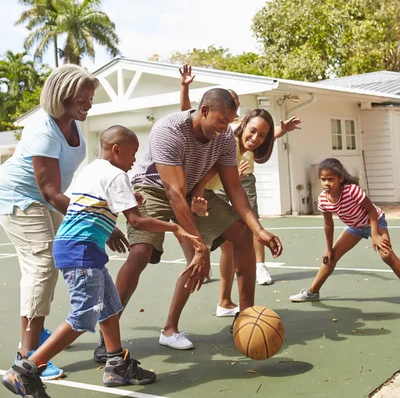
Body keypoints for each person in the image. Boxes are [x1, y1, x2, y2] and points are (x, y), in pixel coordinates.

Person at [2, 125, 200, 398]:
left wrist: (132, 198)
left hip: (77, 247)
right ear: (116, 149)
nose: (134, 161)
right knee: (83, 315)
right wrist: (175, 227)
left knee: (109, 306)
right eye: (132, 154)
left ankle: (116, 364)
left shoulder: (92, 170)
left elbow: (93, 202)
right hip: (81, 249)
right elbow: (137, 221)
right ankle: (26, 368)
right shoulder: (117, 174)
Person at [93, 87, 283, 360]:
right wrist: (199, 246)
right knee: (140, 253)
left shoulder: (226, 137)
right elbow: (173, 192)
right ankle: (107, 335)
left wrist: (259, 230)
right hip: (153, 188)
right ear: (204, 110)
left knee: (241, 234)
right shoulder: (168, 129)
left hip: (191, 190)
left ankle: (245, 317)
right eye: (221, 120)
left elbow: (234, 188)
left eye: (229, 122)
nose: (225, 128)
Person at [0, 64, 113, 380]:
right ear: (62, 95)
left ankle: (34, 330)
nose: (89, 104)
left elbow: (60, 187)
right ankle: (28, 356)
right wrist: (100, 217)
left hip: (44, 196)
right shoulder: (42, 129)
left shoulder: (73, 125)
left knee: (51, 261)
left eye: (90, 98)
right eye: (83, 98)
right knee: (41, 265)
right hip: (18, 198)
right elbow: (51, 192)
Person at [178, 65, 300, 315]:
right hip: (196, 194)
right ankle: (181, 318)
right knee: (216, 249)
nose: (255, 137)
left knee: (232, 245)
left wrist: (282, 130)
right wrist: (185, 87)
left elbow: (263, 134)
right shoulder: (225, 140)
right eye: (252, 130)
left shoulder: (244, 143)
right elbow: (187, 116)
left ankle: (225, 301)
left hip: (213, 191)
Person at [289, 158, 400, 302]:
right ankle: (312, 293)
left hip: (375, 222)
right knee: (331, 258)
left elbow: (371, 210)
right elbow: (328, 225)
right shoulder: (323, 199)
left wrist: (375, 235)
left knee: (387, 256)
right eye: (323, 179)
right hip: (355, 227)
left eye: (331, 179)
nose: (326, 183)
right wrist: (328, 248)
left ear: (340, 178)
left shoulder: (352, 191)